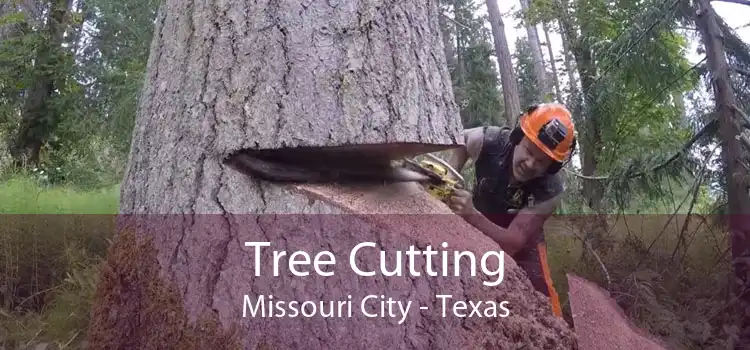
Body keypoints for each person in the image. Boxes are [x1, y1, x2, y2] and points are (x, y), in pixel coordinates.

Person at [445, 103, 577, 318]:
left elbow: (513, 243)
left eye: (542, 162)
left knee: (544, 298)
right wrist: (450, 177)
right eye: (529, 151)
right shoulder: (490, 140)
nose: (531, 163)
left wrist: (469, 214)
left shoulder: (550, 190)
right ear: (518, 137)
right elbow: (462, 140)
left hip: (522, 240)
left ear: (552, 167)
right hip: (479, 219)